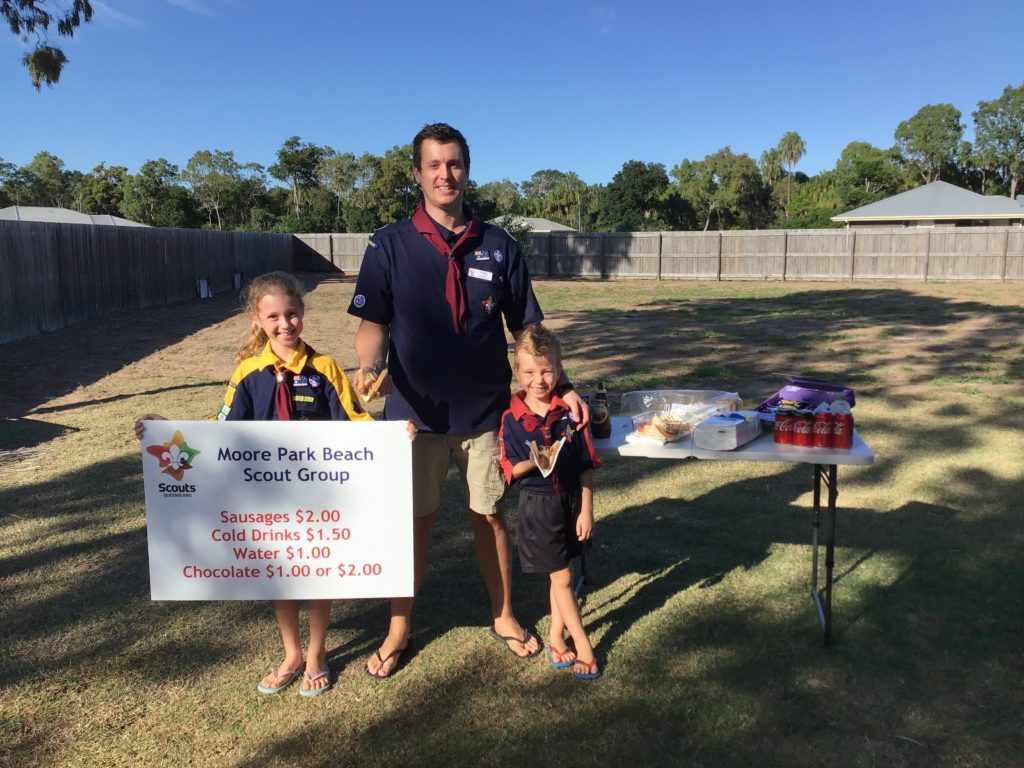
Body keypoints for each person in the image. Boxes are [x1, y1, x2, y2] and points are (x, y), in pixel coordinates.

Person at [348, 122, 589, 678]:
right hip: (414, 419)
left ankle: (503, 615)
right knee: (413, 523)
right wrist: (370, 365)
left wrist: (566, 382)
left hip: (486, 415)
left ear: (467, 169)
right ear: (417, 173)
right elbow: (372, 325)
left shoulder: (501, 246)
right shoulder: (389, 245)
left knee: (490, 516)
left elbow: (529, 332)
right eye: (433, 164)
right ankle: (399, 628)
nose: (444, 174)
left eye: (454, 163)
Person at [135, 271, 373, 697]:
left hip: (318, 494)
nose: (285, 324)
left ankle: (317, 654)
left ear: (303, 313)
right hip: (268, 497)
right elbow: (222, 425)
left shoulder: (325, 369)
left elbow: (357, 423)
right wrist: (168, 430)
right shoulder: (248, 372)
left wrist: (391, 439)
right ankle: (292, 654)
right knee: (280, 576)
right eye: (275, 317)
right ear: (258, 319)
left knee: (319, 573)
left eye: (293, 314)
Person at [498, 324, 602, 680]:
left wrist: (586, 508)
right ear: (517, 372)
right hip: (538, 507)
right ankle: (584, 647)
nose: (538, 380)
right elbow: (510, 470)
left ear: (559, 370)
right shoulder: (511, 418)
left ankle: (556, 637)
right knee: (561, 578)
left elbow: (586, 464)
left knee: (563, 573)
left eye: (546, 371)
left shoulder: (571, 413)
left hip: (571, 502)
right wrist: (537, 459)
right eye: (529, 372)